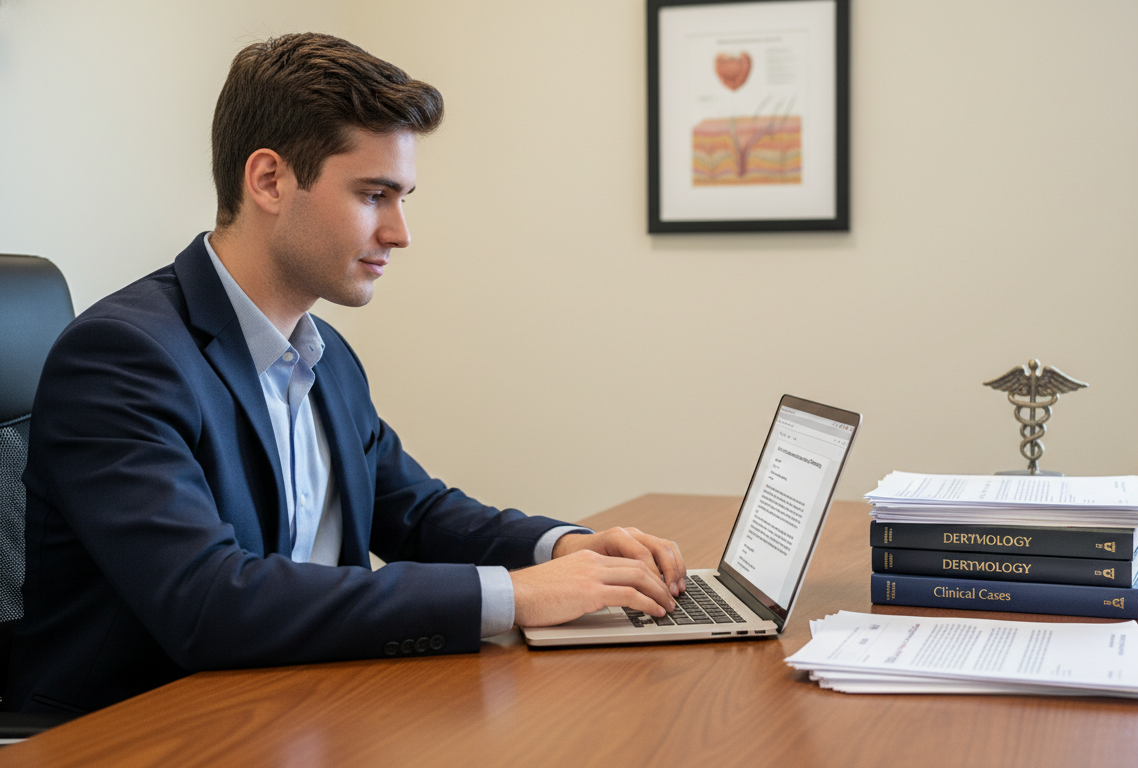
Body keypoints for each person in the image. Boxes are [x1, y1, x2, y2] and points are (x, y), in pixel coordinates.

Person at [6, 32, 685, 715]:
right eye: (374, 195)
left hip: (303, 704)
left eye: (403, 196)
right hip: (145, 727)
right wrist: (517, 595)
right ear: (269, 180)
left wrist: (563, 547)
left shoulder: (321, 350)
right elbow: (210, 601)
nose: (400, 232)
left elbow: (414, 514)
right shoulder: (122, 357)